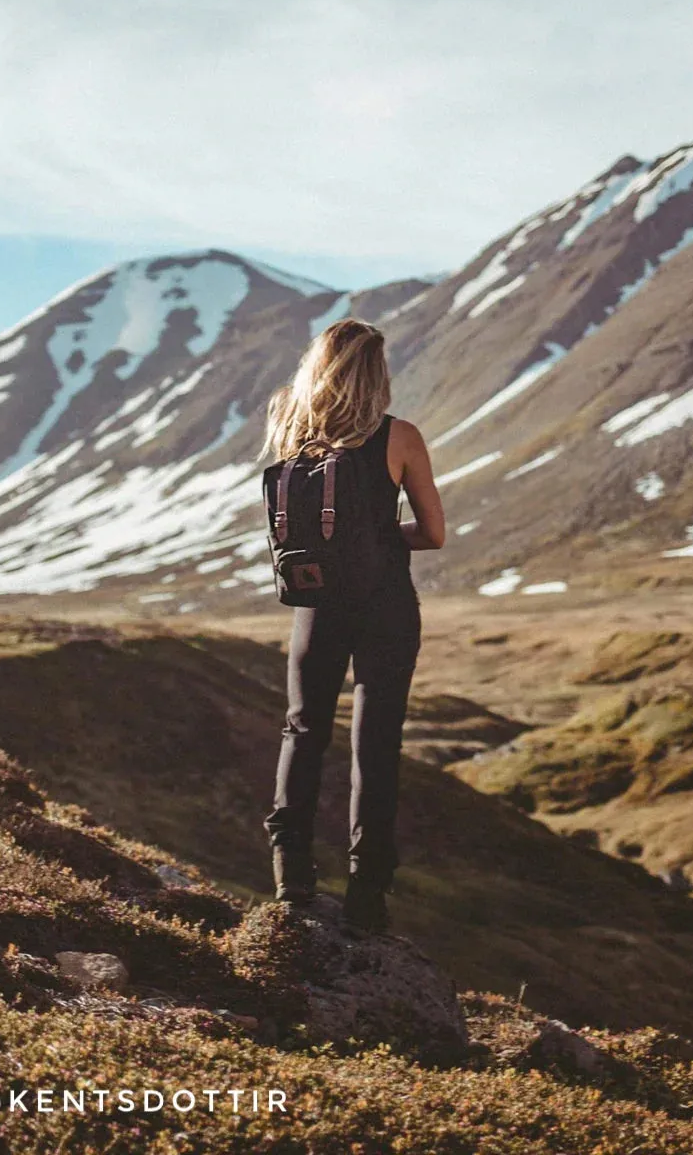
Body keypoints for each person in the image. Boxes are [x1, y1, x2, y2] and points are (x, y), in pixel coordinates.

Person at [260, 317, 446, 933]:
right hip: (385, 603)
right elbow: (434, 533)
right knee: (376, 745)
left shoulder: (289, 427)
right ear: (379, 371)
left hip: (315, 605)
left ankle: (291, 876)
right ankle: (368, 895)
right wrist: (374, 536)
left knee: (303, 729)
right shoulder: (399, 437)